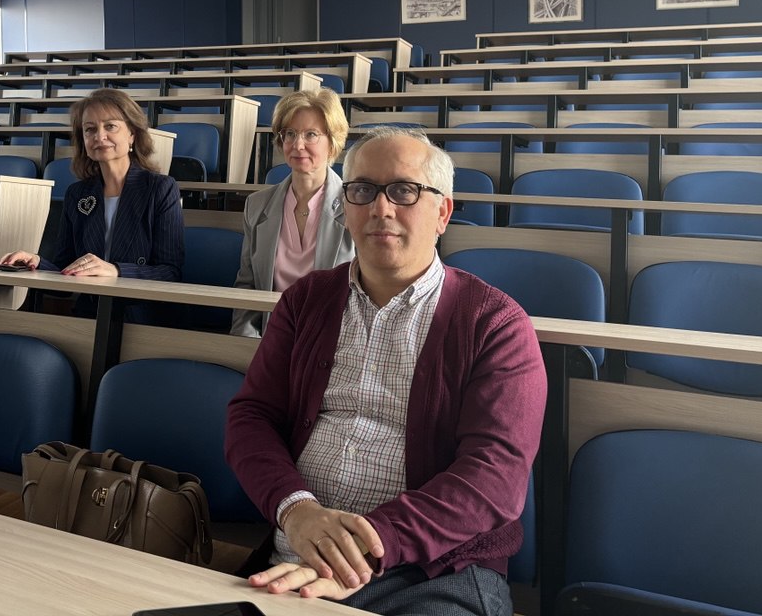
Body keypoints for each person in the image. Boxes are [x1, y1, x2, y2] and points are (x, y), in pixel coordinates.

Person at [225, 127, 545, 615]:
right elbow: (252, 417)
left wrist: (370, 545)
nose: (380, 208)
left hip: (434, 571)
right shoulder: (305, 300)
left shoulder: (495, 323)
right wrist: (297, 510)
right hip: (297, 550)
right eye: (362, 190)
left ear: (443, 213)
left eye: (403, 190)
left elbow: (494, 476)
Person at [0, 88, 183, 282]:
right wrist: (36, 261)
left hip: (136, 300)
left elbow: (170, 272)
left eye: (110, 126)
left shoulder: (161, 188)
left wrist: (117, 270)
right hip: (88, 299)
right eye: (90, 129)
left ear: (132, 135)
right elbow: (65, 268)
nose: (99, 136)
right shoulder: (77, 193)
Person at [231, 88, 354, 337]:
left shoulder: (356, 205)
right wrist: (245, 344)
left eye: (311, 134)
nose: (298, 145)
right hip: (271, 337)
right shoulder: (257, 205)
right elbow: (247, 285)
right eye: (290, 134)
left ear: (332, 142)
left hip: (334, 339)